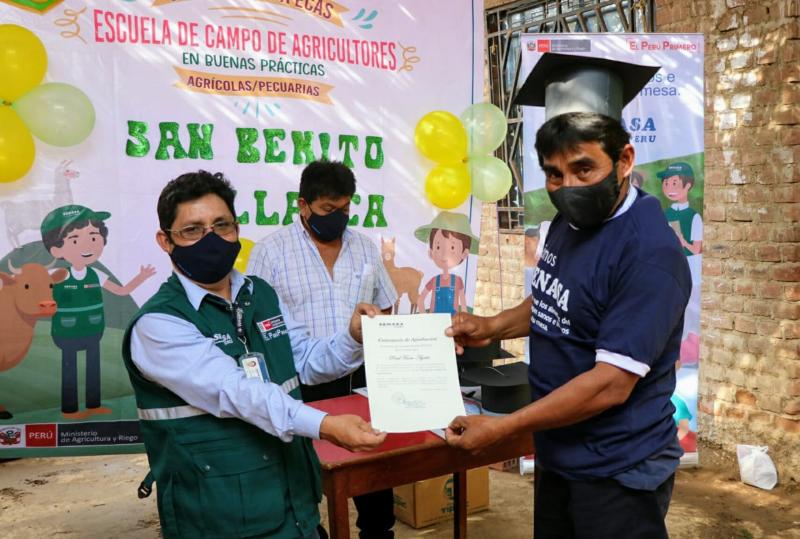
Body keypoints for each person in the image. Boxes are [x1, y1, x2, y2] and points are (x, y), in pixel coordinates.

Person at [445, 53, 692, 539]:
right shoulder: (569, 221)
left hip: (617, 467)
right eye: (554, 174)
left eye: (584, 169)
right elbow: (556, 303)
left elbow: (609, 384)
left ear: (624, 160)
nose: (568, 187)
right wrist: (492, 326)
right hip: (562, 449)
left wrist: (504, 427)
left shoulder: (649, 256)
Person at [122, 170, 386, 539]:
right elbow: (235, 390)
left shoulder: (260, 294)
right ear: (165, 241)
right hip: (218, 513)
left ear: (237, 229)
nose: (210, 238)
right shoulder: (159, 323)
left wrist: (352, 337)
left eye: (221, 225)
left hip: (294, 504)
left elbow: (307, 361)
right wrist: (325, 426)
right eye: (192, 230)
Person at [246, 160, 398, 539]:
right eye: (328, 210)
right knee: (305, 480)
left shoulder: (363, 247)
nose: (339, 218)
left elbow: (387, 303)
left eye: (345, 209)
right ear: (303, 205)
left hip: (360, 380)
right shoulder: (271, 253)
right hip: (300, 383)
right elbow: (261, 329)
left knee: (373, 478)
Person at [41, 204, 155, 419]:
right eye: (74, 240)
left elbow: (121, 291)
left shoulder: (96, 274)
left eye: (93, 237)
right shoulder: (57, 274)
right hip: (66, 333)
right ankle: (69, 409)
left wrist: (142, 277)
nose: (87, 245)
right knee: (69, 369)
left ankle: (93, 405)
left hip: (93, 329)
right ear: (57, 249)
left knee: (94, 367)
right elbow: (35, 287)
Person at [414, 211, 479, 315]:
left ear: (465, 253)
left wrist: (463, 321)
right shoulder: (434, 281)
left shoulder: (458, 281)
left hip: (452, 323)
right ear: (431, 252)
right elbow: (420, 299)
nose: (444, 255)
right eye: (438, 247)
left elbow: (463, 307)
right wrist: (424, 318)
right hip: (433, 322)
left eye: (452, 248)